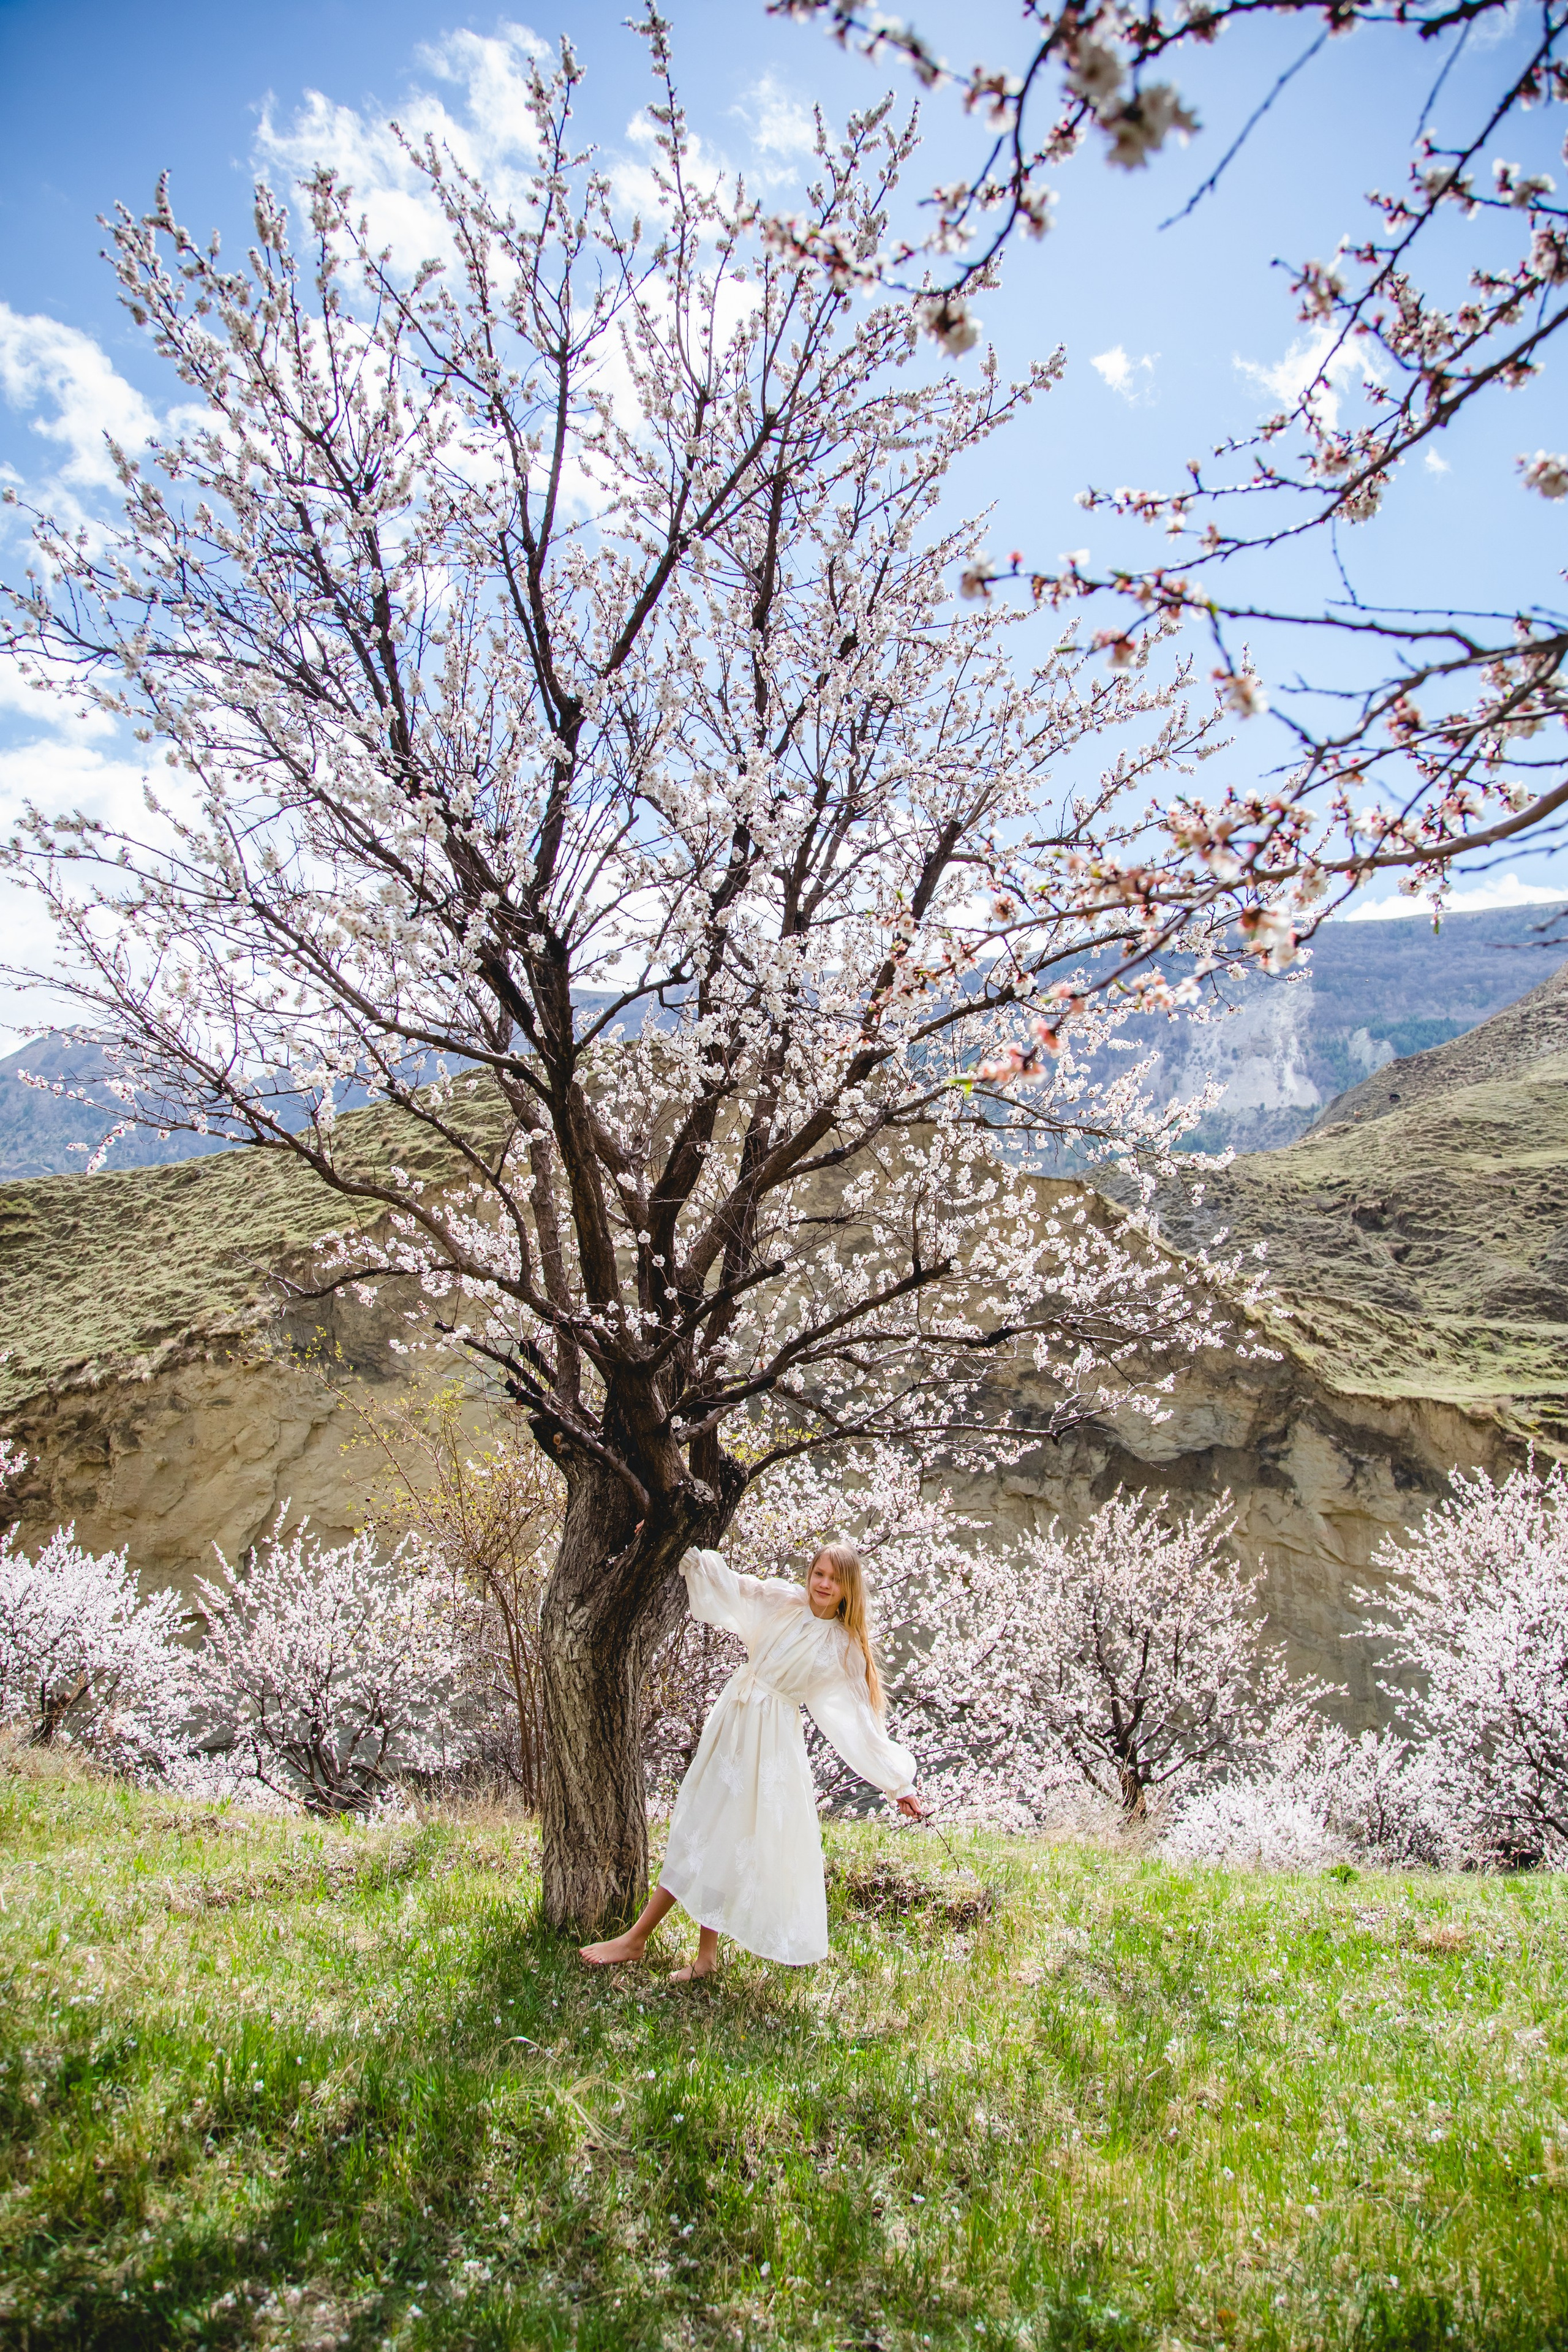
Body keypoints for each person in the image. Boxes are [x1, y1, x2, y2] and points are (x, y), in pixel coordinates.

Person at [581, 1540, 925, 1980]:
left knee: (724, 1832)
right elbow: (734, 1587)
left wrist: (899, 1784)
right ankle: (692, 1954)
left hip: (772, 1738)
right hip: (736, 1718)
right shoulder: (783, 1600)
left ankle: (641, 1941)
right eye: (819, 1573)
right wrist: (678, 1547)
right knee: (706, 1824)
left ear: (847, 1590)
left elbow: (860, 1725)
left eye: (834, 1580)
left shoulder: (843, 1649)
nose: (823, 1584)